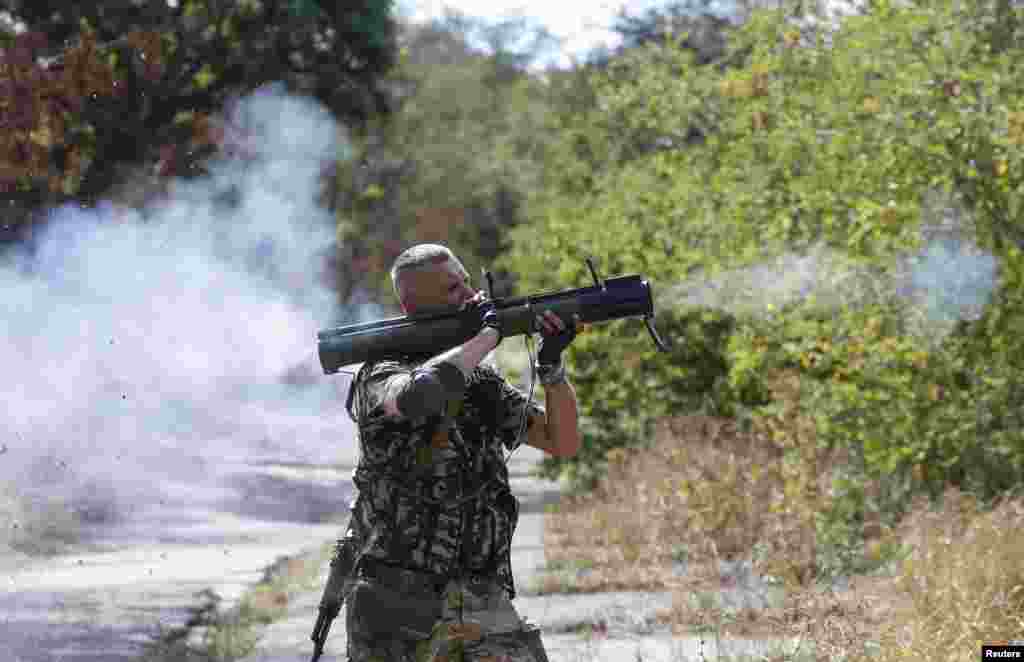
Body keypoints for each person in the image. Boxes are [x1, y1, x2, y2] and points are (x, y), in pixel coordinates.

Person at [339, 243, 581, 662]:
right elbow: (419, 396)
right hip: (398, 605)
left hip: (480, 597)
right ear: (412, 302)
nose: (471, 295)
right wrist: (486, 338)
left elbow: (562, 441)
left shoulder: (479, 381)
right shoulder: (380, 374)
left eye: (468, 281)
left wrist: (552, 368)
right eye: (454, 288)